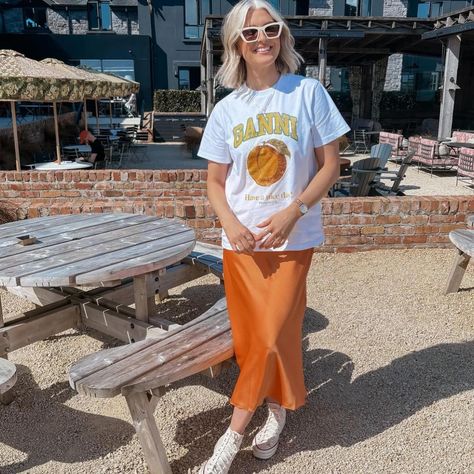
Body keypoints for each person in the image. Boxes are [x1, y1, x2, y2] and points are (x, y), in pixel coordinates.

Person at [196, 1, 350, 473]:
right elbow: (215, 184)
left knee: (267, 337)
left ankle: (230, 437)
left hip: (292, 240)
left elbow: (331, 166)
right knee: (259, 339)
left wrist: (293, 210)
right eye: (250, 33)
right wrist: (232, 226)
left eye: (271, 28)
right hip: (240, 245)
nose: (262, 38)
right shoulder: (226, 109)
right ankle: (277, 411)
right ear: (235, 45)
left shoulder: (308, 94)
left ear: (282, 35)